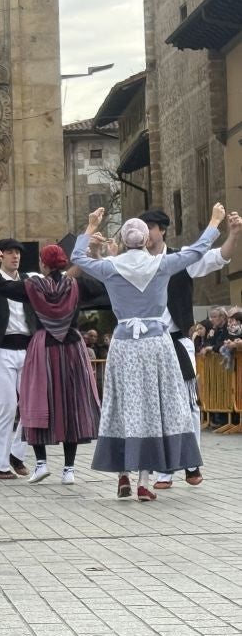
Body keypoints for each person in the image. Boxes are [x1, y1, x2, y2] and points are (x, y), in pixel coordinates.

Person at [72, 206, 224, 501]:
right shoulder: (161, 264)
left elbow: (77, 258)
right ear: (144, 241)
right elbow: (196, 251)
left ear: (125, 241)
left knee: (122, 404)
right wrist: (214, 221)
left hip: (125, 343)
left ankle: (123, 476)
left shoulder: (111, 267)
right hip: (156, 342)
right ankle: (144, 481)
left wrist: (90, 227)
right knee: (153, 406)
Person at [138, 208, 242, 489]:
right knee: (157, 406)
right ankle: (164, 470)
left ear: (161, 230)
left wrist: (233, 233)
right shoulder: (135, 264)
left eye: (151, 227)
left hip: (177, 340)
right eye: (142, 227)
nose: (146, 233)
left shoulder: (180, 259)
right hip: (149, 343)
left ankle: (191, 462)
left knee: (187, 403)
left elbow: (218, 257)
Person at [0, 244, 101, 485]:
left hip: (43, 346)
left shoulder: (34, 286)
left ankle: (41, 464)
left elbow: (0, 285)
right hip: (72, 348)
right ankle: (69, 469)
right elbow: (103, 287)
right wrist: (99, 259)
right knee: (71, 404)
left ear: (44, 265)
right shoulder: (75, 286)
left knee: (35, 401)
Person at [0, 238, 34, 479]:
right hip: (1, 349)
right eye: (10, 253)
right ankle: (0, 465)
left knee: (32, 406)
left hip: (28, 348)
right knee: (7, 407)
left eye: (18, 253)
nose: (15, 257)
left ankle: (16, 453)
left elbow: (62, 276)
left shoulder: (30, 281)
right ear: (1, 256)